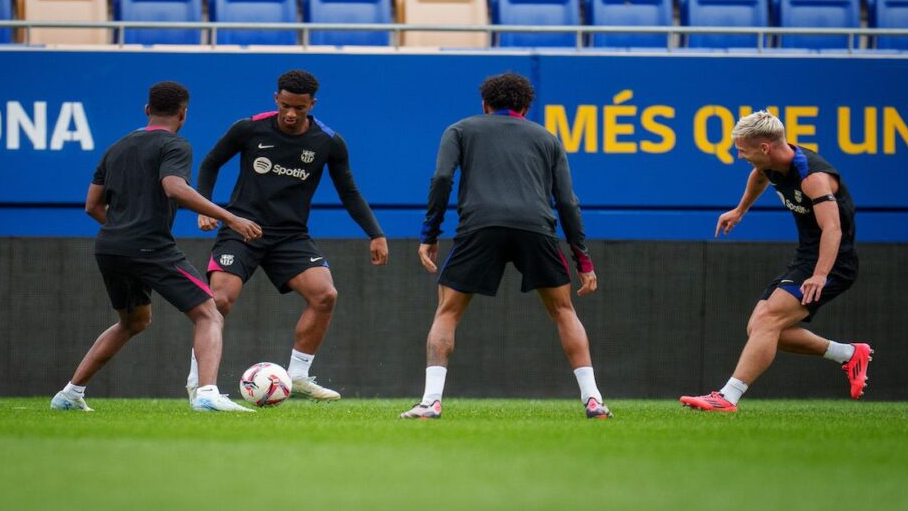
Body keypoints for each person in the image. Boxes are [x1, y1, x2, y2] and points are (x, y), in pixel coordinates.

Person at [400, 72, 612, 420]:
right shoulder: (547, 138)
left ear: (484, 104)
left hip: (480, 226)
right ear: (526, 108)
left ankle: (430, 402)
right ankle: (593, 400)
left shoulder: (460, 129)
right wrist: (583, 260)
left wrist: (430, 234)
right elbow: (567, 202)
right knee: (564, 311)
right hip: (536, 228)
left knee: (448, 312)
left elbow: (441, 178)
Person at [51, 81, 263, 413]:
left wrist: (121, 229)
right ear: (184, 113)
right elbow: (175, 188)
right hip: (149, 245)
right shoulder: (174, 144)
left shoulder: (117, 147)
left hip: (109, 247)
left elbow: (92, 206)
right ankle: (207, 393)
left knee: (133, 322)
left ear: (147, 110)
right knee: (209, 313)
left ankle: (69, 394)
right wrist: (230, 218)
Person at [187, 69, 388, 402]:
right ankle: (198, 383)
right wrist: (206, 207)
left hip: (290, 236)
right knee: (219, 301)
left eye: (300, 108)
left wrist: (375, 233)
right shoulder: (248, 128)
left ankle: (298, 376)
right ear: (276, 99)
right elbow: (210, 164)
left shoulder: (328, 141)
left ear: (312, 104)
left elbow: (349, 191)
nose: (291, 115)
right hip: (242, 229)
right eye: (286, 106)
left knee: (325, 295)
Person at [680, 111, 872, 413]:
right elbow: (760, 175)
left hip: (833, 262)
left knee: (767, 322)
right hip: (807, 256)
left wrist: (821, 275)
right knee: (759, 327)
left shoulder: (813, 178)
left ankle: (727, 397)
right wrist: (740, 210)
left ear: (765, 147)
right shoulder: (771, 164)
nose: (739, 155)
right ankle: (847, 354)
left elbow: (832, 229)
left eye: (743, 149)